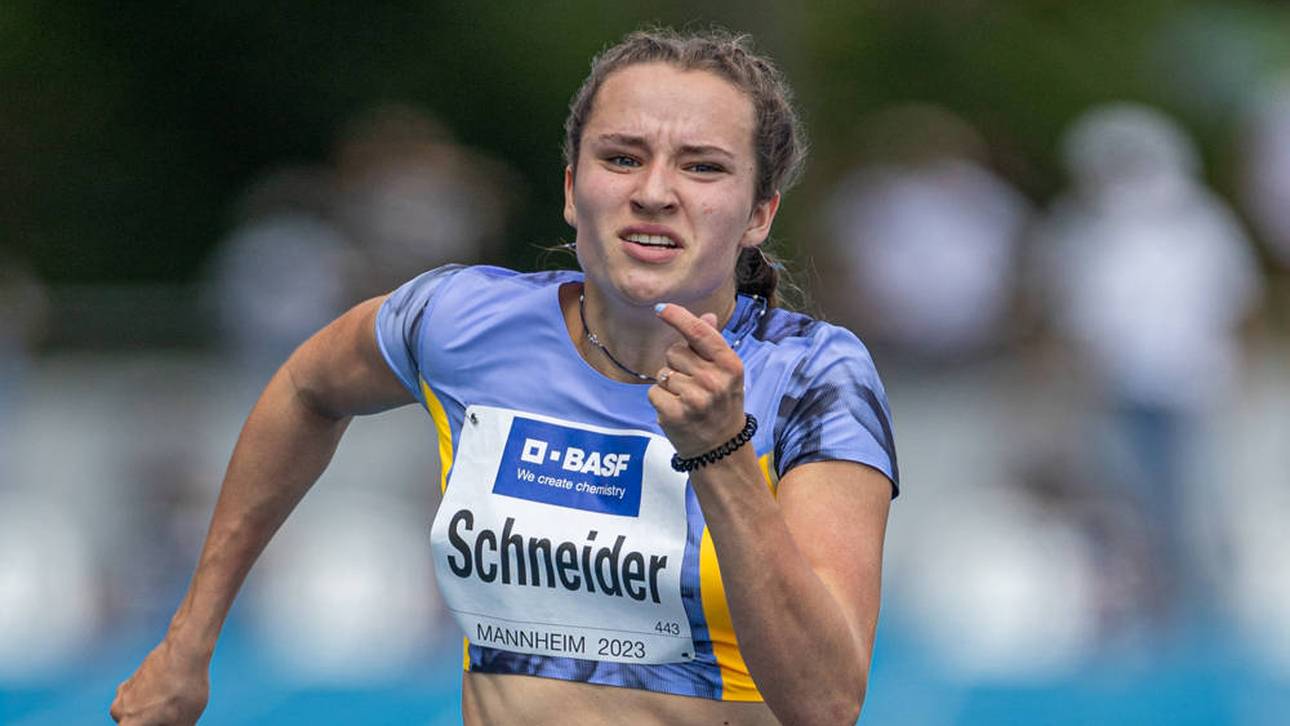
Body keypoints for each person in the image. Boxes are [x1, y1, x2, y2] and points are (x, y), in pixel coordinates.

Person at [110, 28, 898, 726]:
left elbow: (826, 704)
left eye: (702, 167)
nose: (654, 193)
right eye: (622, 158)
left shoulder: (813, 375)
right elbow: (305, 390)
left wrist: (721, 454)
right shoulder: (462, 321)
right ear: (572, 190)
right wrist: (189, 641)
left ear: (758, 213)